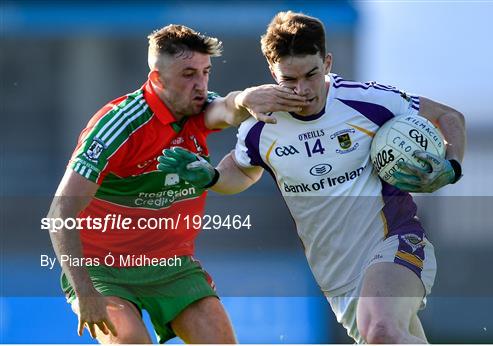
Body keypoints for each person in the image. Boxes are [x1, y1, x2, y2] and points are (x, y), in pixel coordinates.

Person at [157, 11, 466, 343]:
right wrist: (211, 176)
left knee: (381, 328)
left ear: (327, 63)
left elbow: (449, 116)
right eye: (289, 80)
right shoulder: (261, 128)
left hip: (395, 241)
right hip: (337, 278)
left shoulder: (368, 101)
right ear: (272, 72)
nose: (303, 90)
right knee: (390, 336)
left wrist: (451, 168)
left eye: (311, 74)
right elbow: (241, 173)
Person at [46, 24, 308, 344]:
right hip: (103, 271)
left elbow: (226, 108)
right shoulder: (118, 125)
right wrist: (85, 291)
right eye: (188, 74)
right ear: (157, 79)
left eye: (206, 72)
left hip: (172, 269)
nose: (201, 85)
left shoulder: (200, 108)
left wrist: (246, 98)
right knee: (130, 341)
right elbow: (61, 210)